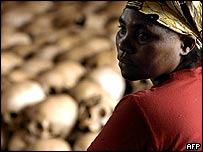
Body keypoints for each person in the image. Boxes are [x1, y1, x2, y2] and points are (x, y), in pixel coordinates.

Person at [87, 1, 202, 151]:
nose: (123, 44)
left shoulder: (143, 110)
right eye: (122, 28)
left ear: (186, 44)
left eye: (142, 36)